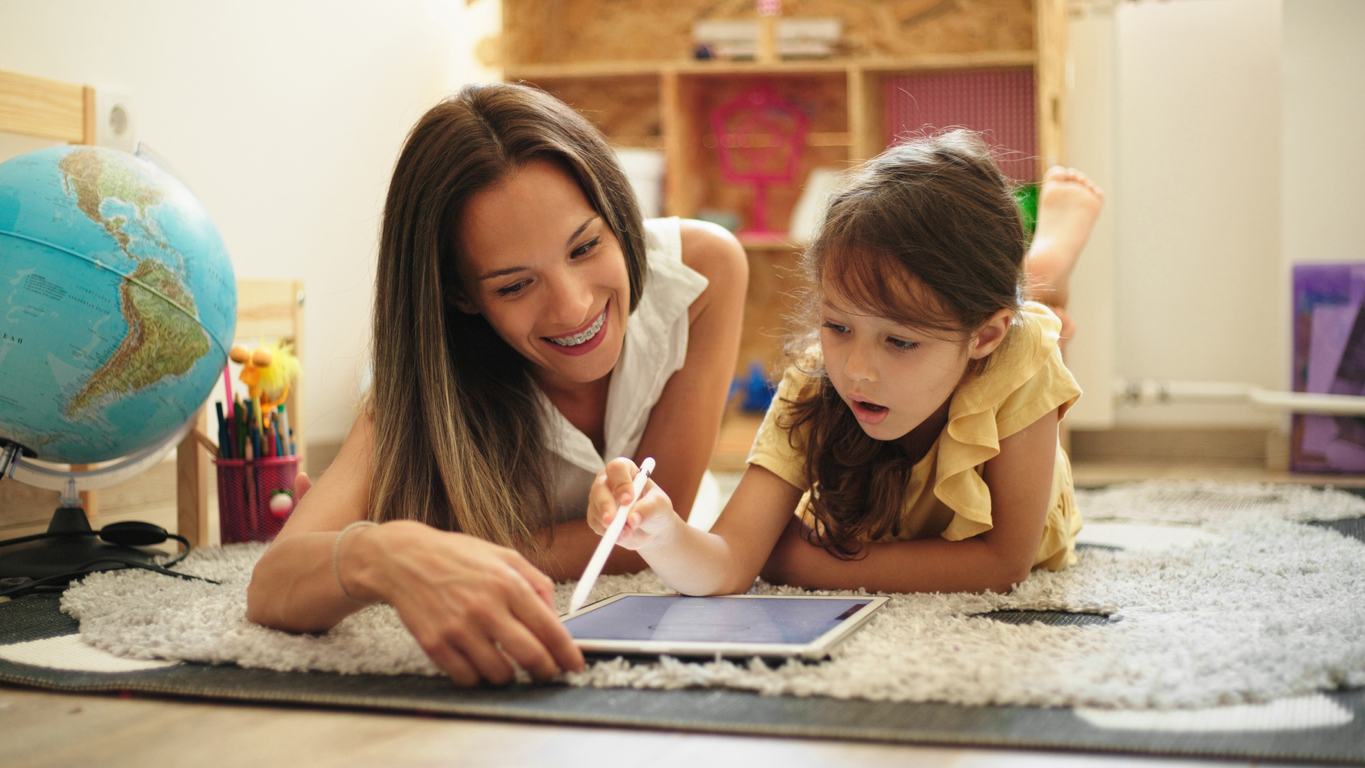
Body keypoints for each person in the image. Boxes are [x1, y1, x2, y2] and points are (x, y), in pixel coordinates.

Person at [246, 81, 749, 686]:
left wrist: (456, 543)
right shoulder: (420, 381)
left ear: (617, 214)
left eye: (586, 246)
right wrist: (385, 552)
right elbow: (271, 585)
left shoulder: (703, 273)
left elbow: (639, 536)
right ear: (460, 295)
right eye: (514, 285)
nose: (574, 307)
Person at [586, 131, 1105, 597]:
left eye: (899, 342)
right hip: (973, 323)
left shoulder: (1015, 356)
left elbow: (1001, 564)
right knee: (1001, 302)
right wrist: (663, 534)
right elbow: (728, 564)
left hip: (1002, 345)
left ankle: (1052, 250)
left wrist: (798, 560)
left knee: (1035, 316)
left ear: (982, 338)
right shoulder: (815, 380)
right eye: (837, 327)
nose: (856, 370)